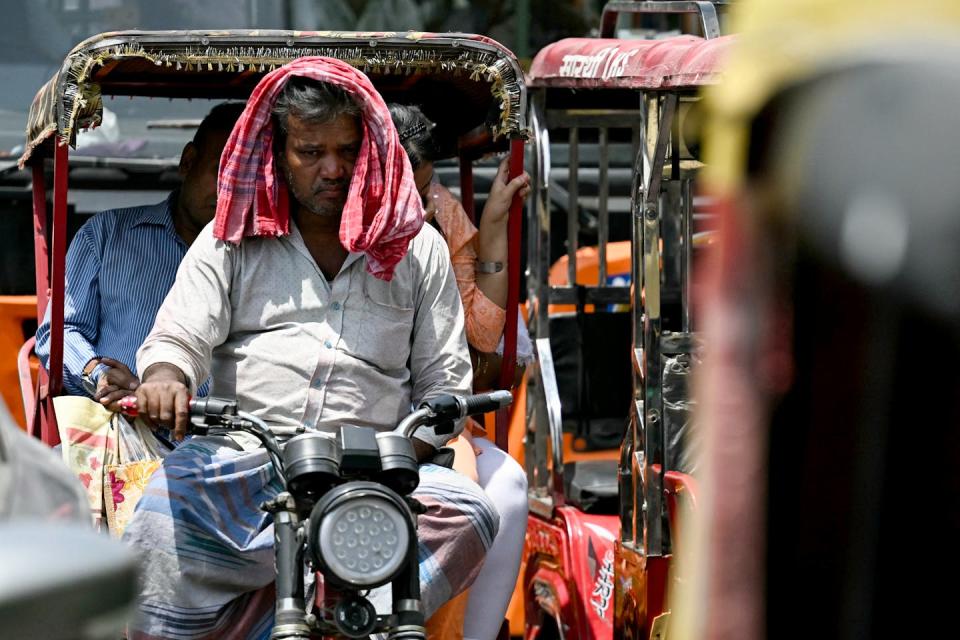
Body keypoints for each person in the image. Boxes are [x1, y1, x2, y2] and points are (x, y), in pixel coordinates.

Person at [124, 58, 498, 638]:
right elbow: (178, 337)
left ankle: (355, 619)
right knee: (156, 518)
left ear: (370, 149)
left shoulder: (418, 248)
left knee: (473, 512)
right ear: (278, 152)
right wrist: (168, 377)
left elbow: (443, 381)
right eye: (310, 152)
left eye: (348, 151)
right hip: (246, 461)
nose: (333, 169)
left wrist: (408, 453)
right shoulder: (231, 236)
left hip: (375, 473)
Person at [390, 103, 531, 640]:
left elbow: (479, 338)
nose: (416, 206)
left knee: (508, 487)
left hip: (425, 418)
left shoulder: (437, 217)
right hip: (333, 417)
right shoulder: (320, 224)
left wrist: (492, 227)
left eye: (425, 190)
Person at [34, 103, 244, 410]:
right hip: (117, 425)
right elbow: (61, 332)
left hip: (229, 436)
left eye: (247, 178)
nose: (231, 191)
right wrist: (100, 377)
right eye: (222, 171)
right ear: (188, 162)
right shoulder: (106, 234)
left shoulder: (264, 253)